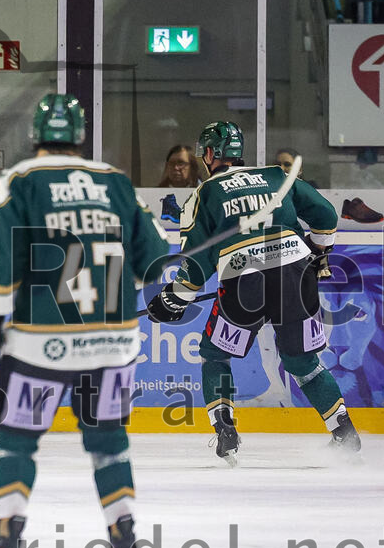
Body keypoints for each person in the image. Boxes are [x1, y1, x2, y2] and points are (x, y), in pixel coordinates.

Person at [0, 93, 169, 548]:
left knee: (16, 443)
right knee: (108, 446)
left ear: (36, 135)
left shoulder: (23, 180)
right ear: (79, 135)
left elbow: (0, 259)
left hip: (42, 343)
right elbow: (154, 263)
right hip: (113, 343)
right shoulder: (117, 182)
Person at [146, 121, 360, 466]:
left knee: (215, 353)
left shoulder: (205, 193)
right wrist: (320, 253)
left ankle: (226, 430)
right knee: (302, 362)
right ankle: (343, 431)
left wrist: (173, 298)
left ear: (211, 154)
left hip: (244, 278)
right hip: (296, 272)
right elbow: (325, 214)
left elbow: (196, 266)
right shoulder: (278, 176)